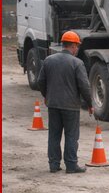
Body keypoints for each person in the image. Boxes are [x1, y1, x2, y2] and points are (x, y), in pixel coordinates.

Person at [37, 30, 93, 174]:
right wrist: (90, 103)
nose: (77, 49)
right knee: (71, 135)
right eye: (77, 46)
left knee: (54, 135)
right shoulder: (77, 63)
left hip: (53, 104)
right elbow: (84, 86)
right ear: (73, 46)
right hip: (70, 106)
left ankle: (54, 165)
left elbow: (40, 81)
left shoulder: (49, 60)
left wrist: (46, 95)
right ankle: (71, 165)